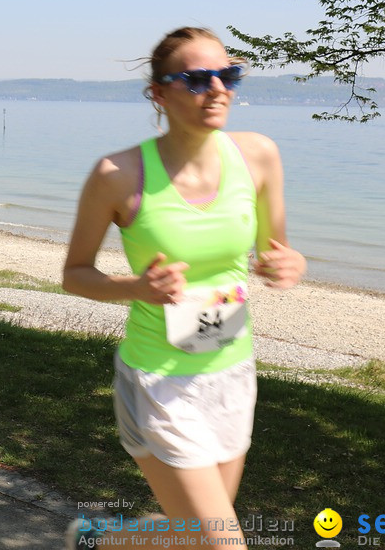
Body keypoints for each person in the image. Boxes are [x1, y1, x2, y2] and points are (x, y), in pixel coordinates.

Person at [62, 27, 306, 548]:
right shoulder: (118, 174)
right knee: (223, 542)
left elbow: (276, 249)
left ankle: (98, 542)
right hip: (159, 382)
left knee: (191, 537)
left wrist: (288, 265)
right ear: (159, 93)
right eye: (197, 79)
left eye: (228, 75)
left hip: (232, 372)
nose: (217, 89)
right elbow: (75, 274)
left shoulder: (258, 156)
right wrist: (135, 287)